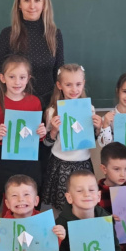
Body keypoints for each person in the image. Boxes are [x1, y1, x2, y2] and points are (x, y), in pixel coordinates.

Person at [0, 55, 46, 229]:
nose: (17, 82)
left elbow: (37, 133)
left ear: (28, 78)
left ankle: (31, 229)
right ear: (2, 78)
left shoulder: (34, 102)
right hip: (4, 159)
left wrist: (42, 133)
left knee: (30, 191)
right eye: (12, 77)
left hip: (29, 159)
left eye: (22, 77)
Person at [0, 0, 64, 109]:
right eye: (27, 0)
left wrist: (64, 108)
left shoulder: (54, 34)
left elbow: (60, 76)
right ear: (19, 4)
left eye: (37, 0)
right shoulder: (8, 34)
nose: (32, 6)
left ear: (44, 4)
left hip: (48, 107)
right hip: (15, 107)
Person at [42, 64, 105, 210]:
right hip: (60, 164)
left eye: (78, 84)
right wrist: (54, 131)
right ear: (59, 85)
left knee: (83, 203)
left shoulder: (89, 109)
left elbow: (91, 139)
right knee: (61, 206)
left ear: (83, 83)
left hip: (83, 163)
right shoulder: (52, 111)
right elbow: (46, 143)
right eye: (68, 84)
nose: (74, 89)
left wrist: (98, 128)